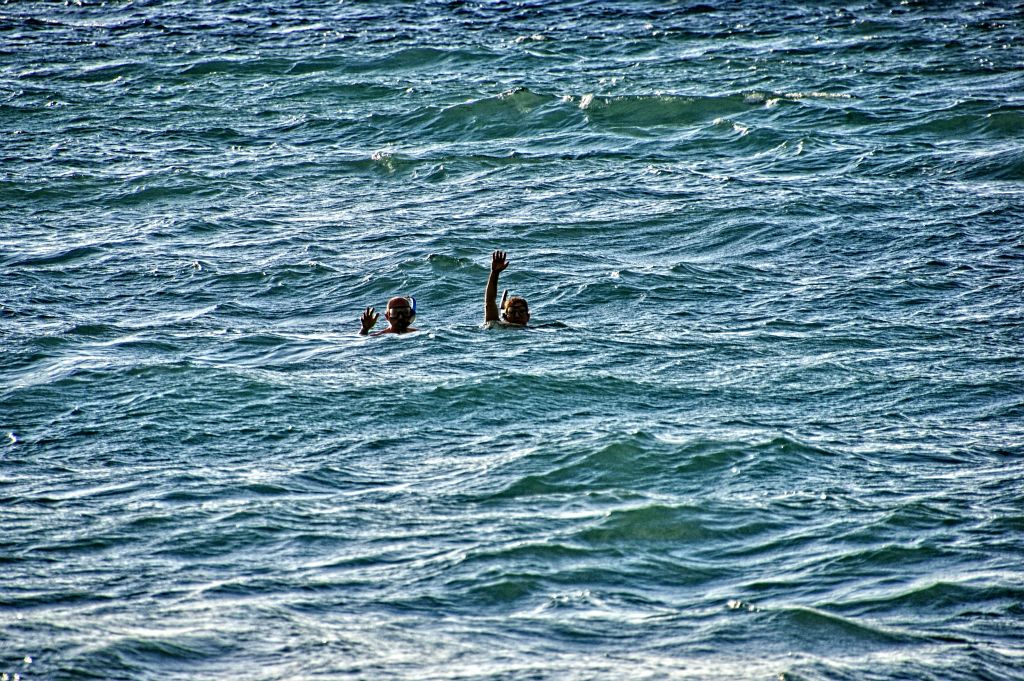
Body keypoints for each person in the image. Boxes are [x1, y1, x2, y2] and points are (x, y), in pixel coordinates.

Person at [484, 250, 530, 327]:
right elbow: (489, 302)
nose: (517, 316)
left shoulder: (537, 330)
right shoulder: (499, 326)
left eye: (521, 311)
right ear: (505, 316)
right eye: (512, 312)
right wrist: (495, 273)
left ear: (528, 316)